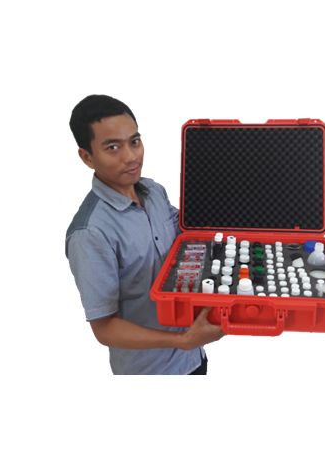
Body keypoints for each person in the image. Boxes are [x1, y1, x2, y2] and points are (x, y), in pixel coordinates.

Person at [66, 94, 225, 375]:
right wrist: (183, 340)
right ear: (87, 157)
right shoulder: (89, 232)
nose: (131, 156)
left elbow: (185, 235)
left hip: (193, 356)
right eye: (113, 147)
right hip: (150, 371)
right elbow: (104, 328)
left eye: (135, 142)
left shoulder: (153, 191)